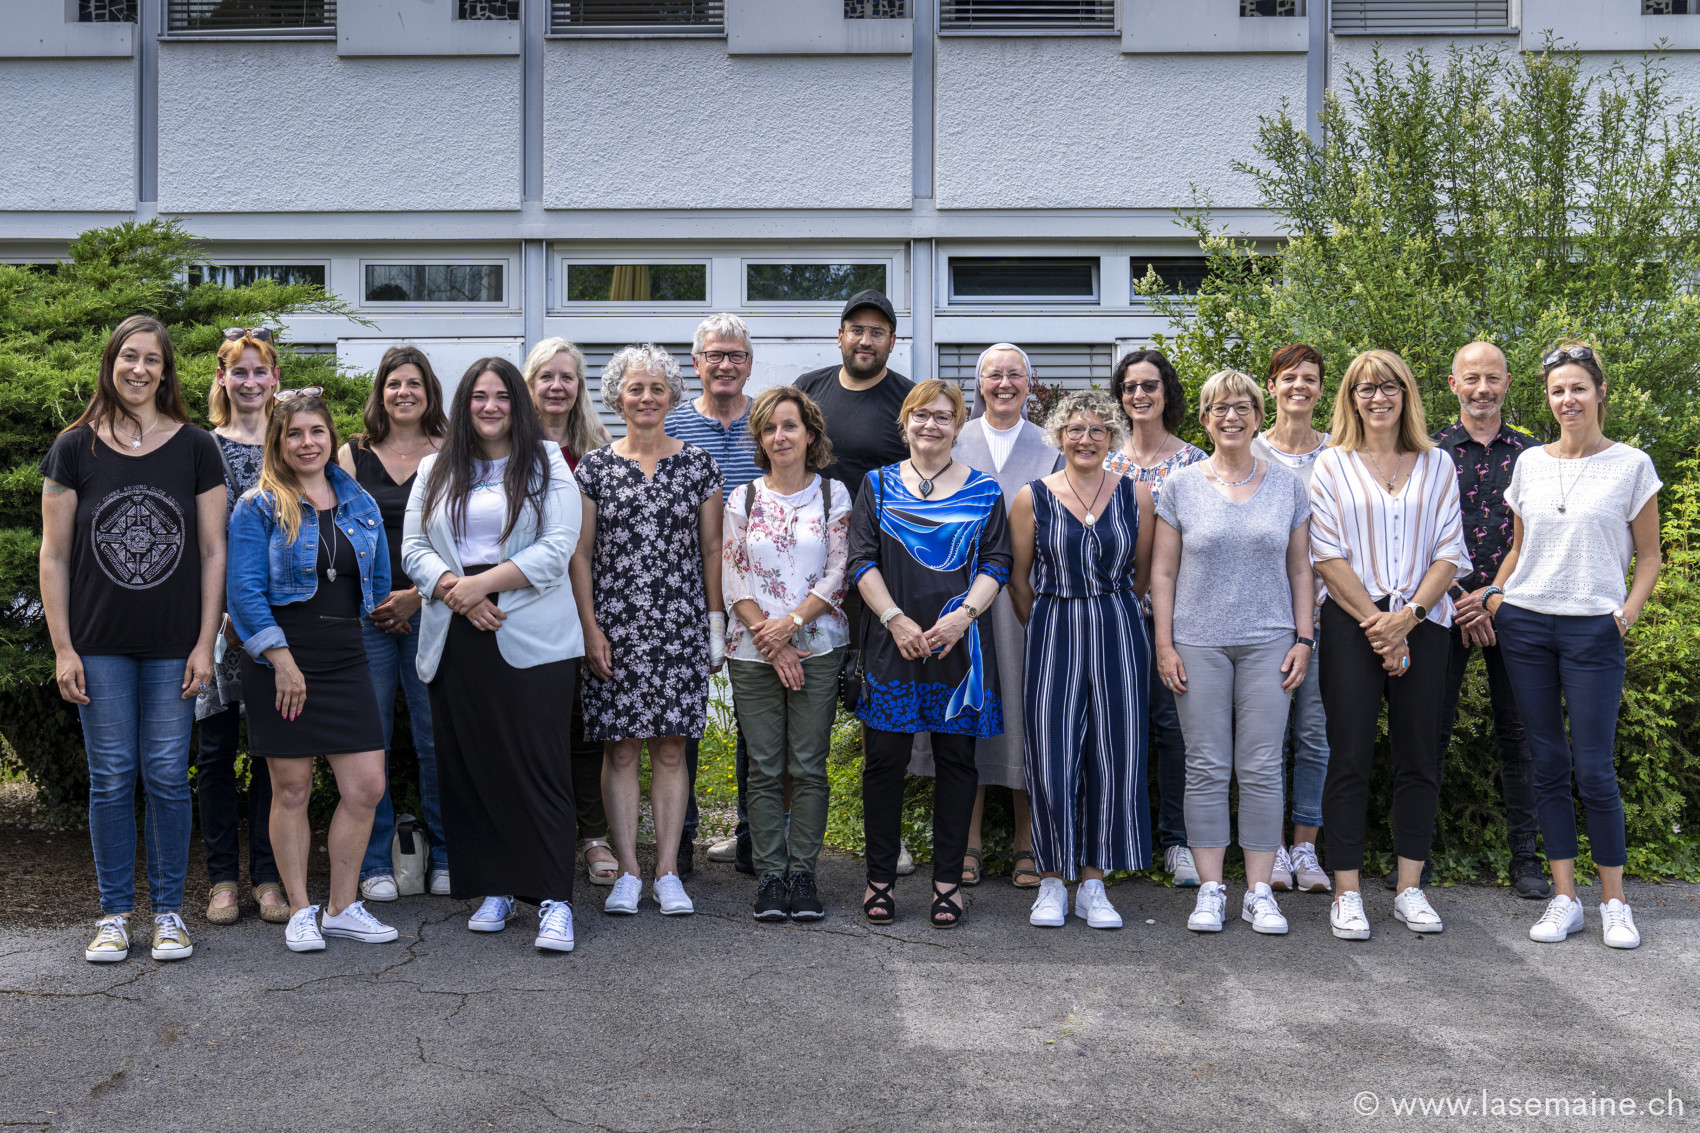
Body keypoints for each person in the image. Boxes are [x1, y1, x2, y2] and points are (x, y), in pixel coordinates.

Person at [40, 315, 226, 964]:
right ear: (111, 364)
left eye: (152, 359)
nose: (139, 369)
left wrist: (205, 642)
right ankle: (115, 914)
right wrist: (63, 647)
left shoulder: (197, 447)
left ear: (166, 371)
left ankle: (170, 912)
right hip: (98, 644)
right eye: (129, 357)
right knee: (112, 777)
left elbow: (213, 550)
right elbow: (53, 555)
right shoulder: (73, 449)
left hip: (176, 644)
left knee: (169, 776)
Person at [405, 357, 586, 953]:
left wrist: (479, 586)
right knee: (475, 767)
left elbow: (558, 547)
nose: (490, 407)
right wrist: (454, 591)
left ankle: (554, 898)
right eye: (479, 396)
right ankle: (497, 887)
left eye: (502, 396)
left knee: (538, 768)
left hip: (530, 634)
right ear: (464, 405)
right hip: (457, 634)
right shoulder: (435, 468)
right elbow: (412, 547)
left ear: (518, 405)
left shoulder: (548, 463)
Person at [1486, 343, 1661, 950]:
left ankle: (1615, 902)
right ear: (1548, 398)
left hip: (1593, 629)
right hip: (1527, 627)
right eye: (1558, 390)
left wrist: (1627, 613)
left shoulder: (1632, 465)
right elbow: (1519, 546)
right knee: (1547, 763)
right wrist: (1497, 595)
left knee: (1593, 767)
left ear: (1600, 392)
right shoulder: (1530, 463)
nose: (1568, 399)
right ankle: (1566, 899)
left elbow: (1650, 555)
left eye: (1579, 388)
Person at [227, 389, 397, 954]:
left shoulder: (360, 502)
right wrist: (280, 661)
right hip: (281, 656)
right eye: (294, 434)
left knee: (367, 786)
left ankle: (343, 908)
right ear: (278, 443)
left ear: (331, 437)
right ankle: (302, 910)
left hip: (345, 652)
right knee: (292, 788)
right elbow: (244, 594)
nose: (306, 443)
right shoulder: (257, 507)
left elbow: (375, 583)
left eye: (316, 432)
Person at [1309, 350, 1469, 941]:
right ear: (1351, 399)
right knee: (1348, 756)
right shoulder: (1330, 464)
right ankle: (1347, 892)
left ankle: (1409, 889)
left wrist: (1409, 618)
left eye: (1389, 387)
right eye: (1365, 388)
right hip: (1354, 622)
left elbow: (1450, 551)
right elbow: (1325, 555)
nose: (1378, 397)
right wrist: (1380, 625)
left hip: (1425, 621)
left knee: (1420, 757)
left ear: (1407, 394)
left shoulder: (1438, 462)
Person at [1152, 371, 1315, 935]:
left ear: (1258, 417)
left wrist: (1304, 639)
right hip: (1197, 642)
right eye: (1220, 408)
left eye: (1243, 407)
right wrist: (1165, 644)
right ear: (1204, 418)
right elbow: (1163, 572)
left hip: (1271, 640)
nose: (1231, 417)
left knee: (1262, 766)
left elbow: (1301, 568)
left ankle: (1260, 892)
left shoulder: (1287, 485)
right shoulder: (1180, 486)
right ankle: (1212, 890)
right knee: (1206, 765)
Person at [848, 379, 1012, 929]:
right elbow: (861, 560)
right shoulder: (876, 485)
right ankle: (879, 879)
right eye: (921, 415)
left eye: (943, 416)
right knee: (884, 764)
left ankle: (948, 882)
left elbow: (997, 563)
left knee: (957, 764)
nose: (931, 425)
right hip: (892, 643)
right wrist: (894, 619)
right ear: (905, 422)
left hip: (957, 648)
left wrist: (963, 618)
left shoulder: (985, 490)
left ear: (959, 425)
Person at [572, 345, 725, 918]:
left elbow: (713, 548)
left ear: (672, 396)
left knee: (671, 747)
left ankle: (667, 872)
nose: (646, 398)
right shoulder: (593, 468)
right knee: (620, 749)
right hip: (615, 627)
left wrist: (714, 624)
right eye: (635, 388)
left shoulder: (699, 465)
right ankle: (628, 873)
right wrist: (590, 628)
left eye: (657, 388)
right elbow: (580, 554)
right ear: (617, 396)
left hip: (680, 625)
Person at [1008, 390, 1154, 930]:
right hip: (1053, 626)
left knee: (1115, 753)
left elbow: (1142, 574)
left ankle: (1094, 882)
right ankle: (1051, 880)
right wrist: (1049, 622)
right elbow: (1018, 580)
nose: (1085, 439)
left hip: (1118, 625)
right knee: (1051, 752)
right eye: (1075, 429)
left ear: (1112, 437)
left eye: (1097, 430)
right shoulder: (1032, 496)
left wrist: (1108, 609)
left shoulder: (1136, 494)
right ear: (1059, 437)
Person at [797, 289, 921, 875]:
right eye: (856, 329)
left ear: (891, 341)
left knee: (878, 711)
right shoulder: (810, 389)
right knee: (793, 697)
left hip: (880, 574)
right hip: (807, 570)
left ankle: (885, 838)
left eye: (877, 331)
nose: (865, 340)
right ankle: (769, 833)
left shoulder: (907, 400)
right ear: (840, 336)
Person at [722, 386, 851, 921]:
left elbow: (840, 571)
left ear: (811, 434)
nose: (780, 436)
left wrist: (793, 625)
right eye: (769, 428)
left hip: (818, 647)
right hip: (753, 652)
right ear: (760, 439)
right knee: (765, 768)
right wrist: (773, 643)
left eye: (790, 426)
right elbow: (733, 575)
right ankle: (771, 877)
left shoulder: (834, 495)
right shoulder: (743, 498)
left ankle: (804, 875)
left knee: (808, 766)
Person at [1429, 341, 1550, 901]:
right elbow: (1415, 534)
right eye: (1472, 378)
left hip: (1516, 607)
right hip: (1441, 606)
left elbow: (1541, 537)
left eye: (1493, 377)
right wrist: (1461, 596)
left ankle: (1526, 859)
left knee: (1521, 736)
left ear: (1507, 382)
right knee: (1428, 732)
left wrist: (1493, 597)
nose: (1483, 388)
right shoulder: (1427, 452)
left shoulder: (1535, 456)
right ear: (1453, 384)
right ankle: (1417, 853)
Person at [335, 346, 450, 903]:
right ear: (380, 393)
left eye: (414, 383)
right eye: (394, 384)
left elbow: (464, 539)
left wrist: (415, 598)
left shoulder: (452, 452)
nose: (404, 393)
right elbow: (335, 537)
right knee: (369, 743)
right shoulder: (351, 455)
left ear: (430, 392)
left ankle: (448, 856)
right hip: (367, 618)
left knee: (437, 740)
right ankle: (375, 861)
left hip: (436, 612)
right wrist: (377, 602)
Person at [944, 343, 1060, 889]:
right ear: (979, 383)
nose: (1005, 383)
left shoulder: (1050, 444)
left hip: (1026, 596)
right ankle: (965, 841)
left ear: (1029, 384)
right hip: (957, 598)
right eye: (994, 375)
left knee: (1025, 712)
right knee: (966, 712)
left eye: (1016, 374)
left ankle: (1026, 840)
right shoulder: (954, 436)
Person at [1104, 348, 1206, 887]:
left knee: (1173, 730)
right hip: (1113, 618)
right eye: (1129, 387)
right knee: (1117, 727)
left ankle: (1177, 842)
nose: (1139, 395)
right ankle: (1120, 838)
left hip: (1177, 619)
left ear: (1167, 392)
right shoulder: (1102, 459)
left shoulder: (1194, 462)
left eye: (1149, 385)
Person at [667, 314, 764, 878]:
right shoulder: (672, 424)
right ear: (696, 363)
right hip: (683, 590)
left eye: (736, 355)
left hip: (760, 593)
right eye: (715, 355)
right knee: (682, 720)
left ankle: (755, 835)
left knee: (757, 720)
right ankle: (680, 837)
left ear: (750, 364)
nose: (725, 365)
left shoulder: (770, 421)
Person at [196, 328, 285, 927]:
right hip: (216, 623)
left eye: (260, 372)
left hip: (278, 623)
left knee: (275, 753)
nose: (250, 382)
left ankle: (270, 877)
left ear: (274, 378)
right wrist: (222, 613)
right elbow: (201, 541)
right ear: (222, 378)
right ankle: (224, 879)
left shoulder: (291, 440)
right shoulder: (202, 447)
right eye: (239, 372)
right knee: (215, 753)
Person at [523, 337, 618, 889]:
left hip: (588, 598)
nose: (557, 386)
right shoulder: (509, 445)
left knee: (587, 723)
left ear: (580, 386)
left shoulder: (598, 447)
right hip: (526, 600)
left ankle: (593, 835)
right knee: (535, 723)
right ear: (530, 384)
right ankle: (539, 832)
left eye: (567, 377)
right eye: (546, 376)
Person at [1249, 343, 1332, 894]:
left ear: (1321, 389)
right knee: (1269, 738)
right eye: (1288, 377)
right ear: (1272, 386)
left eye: (1309, 378)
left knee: (1315, 734)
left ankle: (1306, 847)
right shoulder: (1250, 451)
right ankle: (1271, 845)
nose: (1299, 386)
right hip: (1264, 617)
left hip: (1328, 613)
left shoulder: (1339, 453)